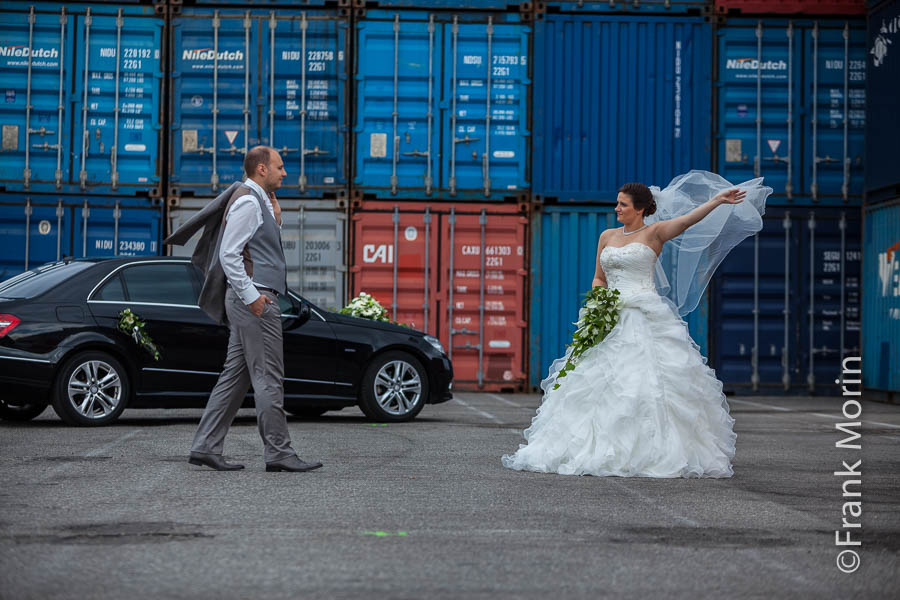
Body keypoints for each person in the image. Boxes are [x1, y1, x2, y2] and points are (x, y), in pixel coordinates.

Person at [502, 172, 771, 478]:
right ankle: (597, 446)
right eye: (616, 204)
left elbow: (687, 222)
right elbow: (599, 277)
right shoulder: (607, 236)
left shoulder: (655, 233)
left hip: (644, 314)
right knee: (595, 383)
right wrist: (597, 304)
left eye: (623, 204)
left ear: (641, 208)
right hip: (609, 315)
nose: (617, 209)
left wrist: (716, 201)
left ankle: (652, 450)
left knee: (647, 384)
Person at [167, 146, 322, 473]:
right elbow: (229, 254)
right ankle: (279, 452)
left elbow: (256, 247)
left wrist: (276, 221)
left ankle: (206, 446)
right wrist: (252, 296)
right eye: (280, 167)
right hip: (255, 300)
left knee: (236, 376)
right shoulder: (249, 201)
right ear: (262, 169)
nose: (285, 173)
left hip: (250, 298)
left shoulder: (259, 202)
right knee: (268, 377)